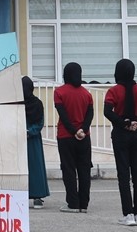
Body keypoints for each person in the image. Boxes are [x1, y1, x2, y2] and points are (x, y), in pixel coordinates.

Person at [104, 58, 137, 227]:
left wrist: (124, 123)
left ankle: (128, 214)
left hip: (121, 134)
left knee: (123, 175)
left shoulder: (113, 91)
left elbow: (107, 112)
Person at [53, 61, 93, 213]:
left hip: (65, 136)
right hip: (84, 137)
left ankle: (73, 203)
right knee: (84, 169)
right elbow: (90, 114)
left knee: (68, 169)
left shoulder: (59, 92)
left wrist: (73, 130)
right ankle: (84, 204)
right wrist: (83, 129)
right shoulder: (86, 94)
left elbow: (62, 115)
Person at [23, 76, 50, 209]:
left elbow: (40, 122)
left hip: (32, 140)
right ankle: (21, 195)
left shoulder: (37, 103)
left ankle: (37, 195)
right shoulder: (16, 102)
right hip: (19, 139)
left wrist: (29, 131)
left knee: (35, 168)